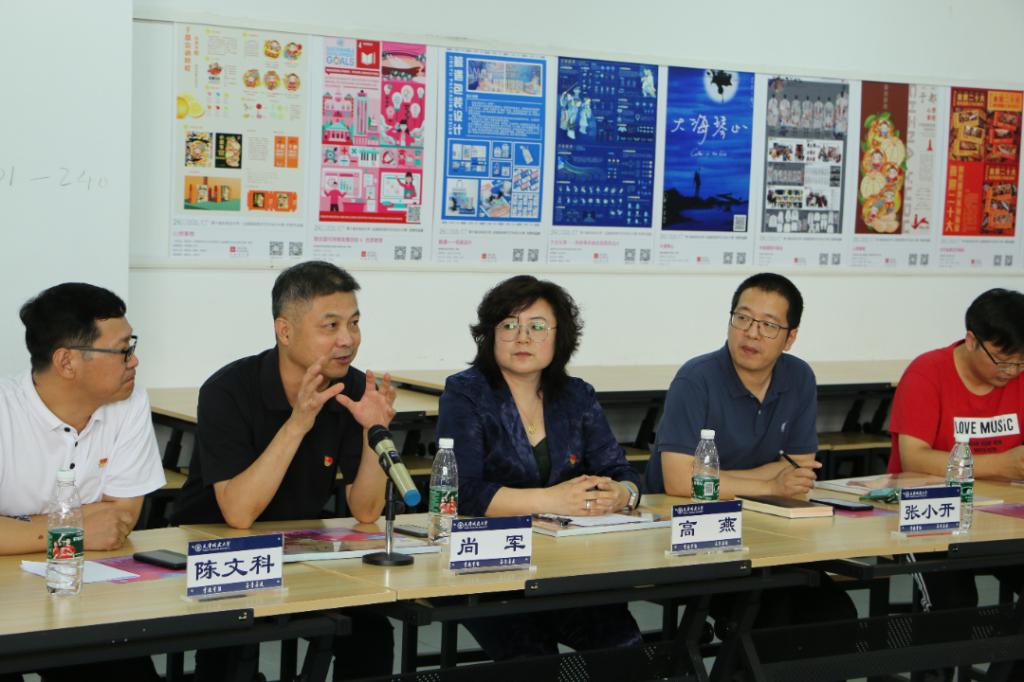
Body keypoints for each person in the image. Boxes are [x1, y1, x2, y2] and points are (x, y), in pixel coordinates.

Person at [172, 260, 396, 681]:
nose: (347, 339)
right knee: (231, 648)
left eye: (354, 323)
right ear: (285, 331)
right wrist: (298, 423)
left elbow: (366, 511)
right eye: (330, 326)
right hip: (215, 549)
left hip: (297, 548)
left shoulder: (350, 387)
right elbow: (238, 514)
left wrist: (374, 429)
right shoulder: (227, 390)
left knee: (370, 633)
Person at [436, 275, 644, 663]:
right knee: (533, 660)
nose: (523, 338)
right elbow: (462, 491)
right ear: (489, 335)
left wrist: (622, 494)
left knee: (624, 648)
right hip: (491, 571)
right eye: (509, 325)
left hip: (568, 565)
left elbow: (621, 471)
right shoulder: (467, 393)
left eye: (537, 327)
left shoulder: (577, 395)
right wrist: (551, 500)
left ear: (558, 337)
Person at [647, 273, 856, 641]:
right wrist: (769, 483)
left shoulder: (799, 377)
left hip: (766, 531)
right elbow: (679, 481)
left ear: (790, 337)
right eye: (742, 318)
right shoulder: (696, 379)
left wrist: (724, 480)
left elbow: (799, 472)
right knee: (770, 617)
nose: (751, 333)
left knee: (835, 613)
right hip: (692, 536)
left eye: (768, 325)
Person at [0, 283, 165, 682]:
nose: (134, 360)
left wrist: (18, 529)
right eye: (122, 350)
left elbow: (116, 522)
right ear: (67, 362)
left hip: (87, 592)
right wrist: (76, 529)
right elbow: (94, 528)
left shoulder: (130, 403)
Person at [887, 288, 1024, 679]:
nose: (1011, 372)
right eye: (1002, 360)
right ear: (971, 339)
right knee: (954, 606)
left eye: (1020, 363)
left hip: (1004, 520)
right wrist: (1003, 464)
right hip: (928, 519)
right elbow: (914, 458)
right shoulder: (928, 372)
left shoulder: (1020, 376)